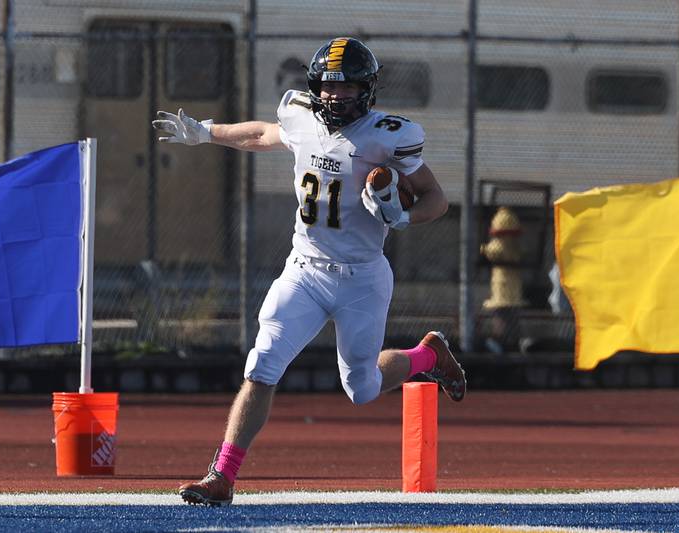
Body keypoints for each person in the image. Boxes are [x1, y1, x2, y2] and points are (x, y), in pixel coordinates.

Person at [152, 37, 466, 507]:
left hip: (362, 275)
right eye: (328, 87)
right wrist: (206, 132)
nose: (335, 96)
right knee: (261, 366)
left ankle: (427, 355)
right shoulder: (300, 115)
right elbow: (263, 135)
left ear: (368, 89)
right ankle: (222, 476)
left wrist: (402, 217)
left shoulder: (387, 135)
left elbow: (435, 199)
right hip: (304, 270)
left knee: (361, 388)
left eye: (348, 87)